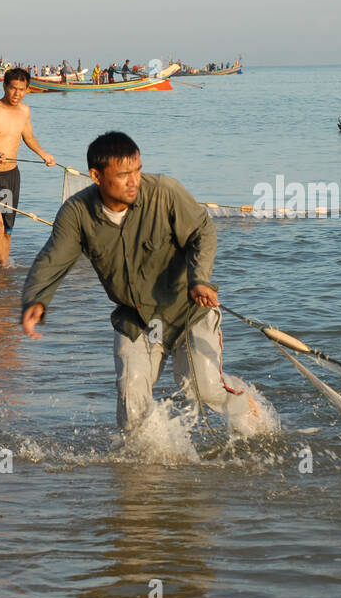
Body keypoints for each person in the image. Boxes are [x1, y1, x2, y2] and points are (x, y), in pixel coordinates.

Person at [21, 131, 273, 435]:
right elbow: (53, 258)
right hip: (136, 318)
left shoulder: (164, 192)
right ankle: (140, 473)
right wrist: (36, 299)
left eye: (137, 170)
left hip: (188, 309)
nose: (134, 181)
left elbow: (203, 232)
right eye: (123, 174)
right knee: (132, 404)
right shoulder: (76, 214)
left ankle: (250, 407)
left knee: (201, 388)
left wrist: (199, 279)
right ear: (96, 176)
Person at [0, 69, 56, 268]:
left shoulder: (24, 111)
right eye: (13, 88)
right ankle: (3, 271)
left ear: (27, 90)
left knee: (7, 230)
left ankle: (3, 274)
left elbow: (29, 137)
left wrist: (43, 154)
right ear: (5, 86)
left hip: (10, 178)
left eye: (22, 89)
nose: (17, 94)